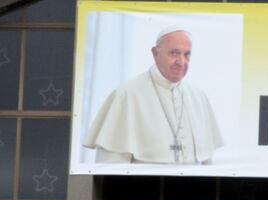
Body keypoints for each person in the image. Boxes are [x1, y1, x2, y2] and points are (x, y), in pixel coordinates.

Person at [83, 26, 223, 164]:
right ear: (155, 53)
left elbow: (207, 162)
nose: (181, 62)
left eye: (187, 54)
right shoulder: (127, 95)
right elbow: (111, 167)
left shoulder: (199, 97)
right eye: (174, 53)